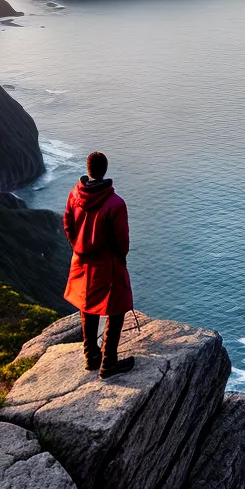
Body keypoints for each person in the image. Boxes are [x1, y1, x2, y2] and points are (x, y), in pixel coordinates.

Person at [62, 151, 135, 378]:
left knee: (87, 304)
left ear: (88, 169)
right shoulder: (115, 204)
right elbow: (121, 241)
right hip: (107, 263)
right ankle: (108, 363)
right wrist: (120, 257)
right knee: (117, 308)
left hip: (81, 261)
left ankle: (91, 355)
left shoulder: (75, 195)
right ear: (105, 170)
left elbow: (67, 224)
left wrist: (78, 247)